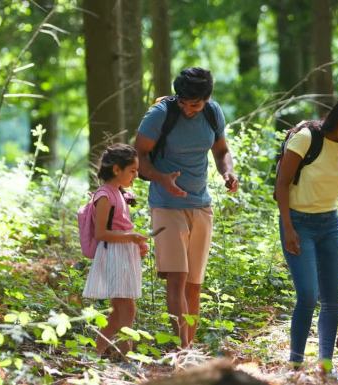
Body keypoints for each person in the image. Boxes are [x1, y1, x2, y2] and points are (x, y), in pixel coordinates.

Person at [135, 67, 238, 348]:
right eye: (183, 102)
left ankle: (189, 349)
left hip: (201, 204)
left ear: (206, 99)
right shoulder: (160, 115)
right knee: (176, 281)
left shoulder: (212, 113)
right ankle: (181, 352)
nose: (188, 109)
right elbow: (139, 156)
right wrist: (161, 178)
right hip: (166, 204)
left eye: (195, 104)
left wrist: (227, 172)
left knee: (194, 284)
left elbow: (221, 150)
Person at [275, 96, 338, 369]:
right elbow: (282, 185)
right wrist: (288, 228)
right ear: (335, 120)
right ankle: (296, 362)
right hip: (298, 222)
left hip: (329, 224)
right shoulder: (307, 138)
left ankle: (325, 364)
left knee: (333, 298)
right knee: (308, 295)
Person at [82, 143, 148, 356]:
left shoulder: (119, 193)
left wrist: (136, 243)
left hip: (122, 252)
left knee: (118, 311)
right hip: (113, 253)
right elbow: (101, 233)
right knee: (126, 308)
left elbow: (121, 226)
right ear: (116, 169)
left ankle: (97, 353)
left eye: (136, 170)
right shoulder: (105, 196)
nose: (135, 175)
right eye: (132, 170)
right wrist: (131, 237)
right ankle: (124, 354)